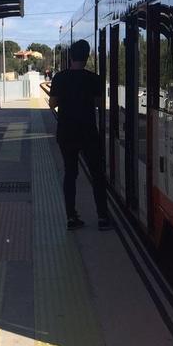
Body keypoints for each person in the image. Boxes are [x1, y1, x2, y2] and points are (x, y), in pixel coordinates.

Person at [48, 40, 110, 230]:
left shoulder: (60, 77)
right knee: (97, 175)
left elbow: (52, 104)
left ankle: (71, 217)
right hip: (88, 133)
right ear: (87, 56)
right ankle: (102, 218)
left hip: (66, 133)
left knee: (70, 174)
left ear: (71, 56)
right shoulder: (94, 79)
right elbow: (100, 104)